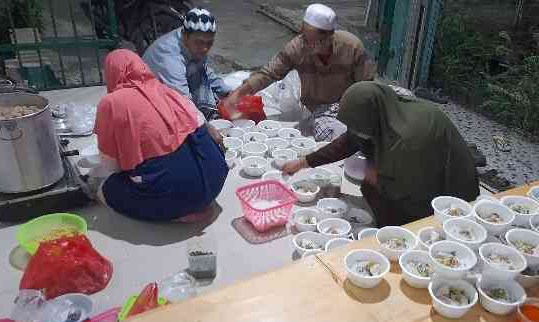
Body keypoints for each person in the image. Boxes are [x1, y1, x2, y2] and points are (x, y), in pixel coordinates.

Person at [283, 82, 480, 227]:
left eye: (357, 126)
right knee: (366, 181)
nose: (355, 131)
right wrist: (305, 161)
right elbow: (349, 141)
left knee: (384, 199)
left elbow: (407, 187)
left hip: (448, 187)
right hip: (417, 166)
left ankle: (397, 230)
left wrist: (375, 178)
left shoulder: (406, 139)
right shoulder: (385, 111)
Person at [93, 49, 228, 222]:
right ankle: (194, 202)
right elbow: (201, 126)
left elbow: (111, 167)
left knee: (106, 189)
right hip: (217, 179)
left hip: (181, 195)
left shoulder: (110, 103)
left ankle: (179, 213)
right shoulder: (167, 90)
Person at [225, 3, 374, 141]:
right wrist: (238, 94)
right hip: (318, 110)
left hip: (348, 105)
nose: (307, 45)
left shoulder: (351, 46)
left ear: (329, 37)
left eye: (313, 42)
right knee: (332, 136)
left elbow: (366, 85)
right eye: (304, 38)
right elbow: (268, 73)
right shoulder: (298, 47)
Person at [143, 8, 228, 117]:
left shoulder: (192, 44)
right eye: (199, 42)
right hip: (152, 100)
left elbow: (204, 69)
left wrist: (228, 92)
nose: (205, 49)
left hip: (176, 88)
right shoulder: (170, 56)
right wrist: (206, 127)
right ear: (185, 36)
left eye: (209, 43)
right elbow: (183, 102)